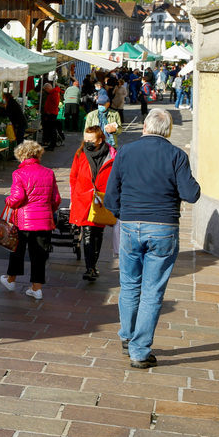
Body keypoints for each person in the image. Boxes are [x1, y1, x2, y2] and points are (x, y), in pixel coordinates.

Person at [105, 109, 200, 369]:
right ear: (167, 130)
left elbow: (111, 195)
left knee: (129, 284)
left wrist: (122, 215)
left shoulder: (125, 152)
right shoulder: (177, 155)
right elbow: (191, 194)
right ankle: (139, 350)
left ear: (145, 126)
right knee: (152, 291)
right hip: (163, 226)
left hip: (130, 224)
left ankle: (127, 336)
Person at [0, 140, 61, 300]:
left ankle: (11, 280)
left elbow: (17, 198)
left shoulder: (19, 174)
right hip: (44, 221)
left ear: (21, 156)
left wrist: (8, 201)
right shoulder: (49, 172)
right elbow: (56, 199)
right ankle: (36, 288)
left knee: (17, 251)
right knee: (39, 255)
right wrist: (48, 211)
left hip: (23, 221)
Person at [69, 126, 116, 282]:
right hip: (84, 199)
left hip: (101, 199)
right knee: (88, 232)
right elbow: (73, 177)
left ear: (100, 140)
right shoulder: (80, 154)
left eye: (91, 140)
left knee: (98, 233)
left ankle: (93, 265)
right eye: (85, 139)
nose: (87, 143)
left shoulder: (112, 155)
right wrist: (73, 198)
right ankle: (90, 268)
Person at [41, 82, 61, 151]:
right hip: (51, 113)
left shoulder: (53, 93)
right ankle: (50, 143)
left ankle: (52, 144)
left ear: (47, 88)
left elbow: (56, 104)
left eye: (45, 89)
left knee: (51, 129)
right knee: (50, 129)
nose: (45, 91)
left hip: (51, 113)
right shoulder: (52, 93)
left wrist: (50, 111)